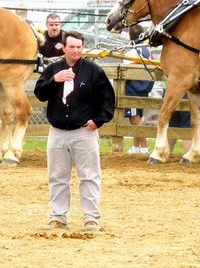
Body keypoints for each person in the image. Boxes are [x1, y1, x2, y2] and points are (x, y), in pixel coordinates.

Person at [34, 31, 115, 233]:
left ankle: (91, 218)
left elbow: (107, 98)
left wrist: (98, 120)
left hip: (83, 132)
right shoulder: (53, 69)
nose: (76, 50)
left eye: (79, 47)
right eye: (72, 47)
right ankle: (58, 217)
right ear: (64, 48)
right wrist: (54, 80)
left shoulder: (93, 71)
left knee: (89, 176)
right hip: (58, 131)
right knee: (57, 177)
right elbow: (40, 93)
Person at [112, 24, 153, 154]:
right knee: (135, 118)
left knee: (135, 118)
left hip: (133, 89)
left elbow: (124, 68)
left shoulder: (132, 52)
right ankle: (136, 147)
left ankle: (144, 147)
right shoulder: (147, 50)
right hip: (143, 88)